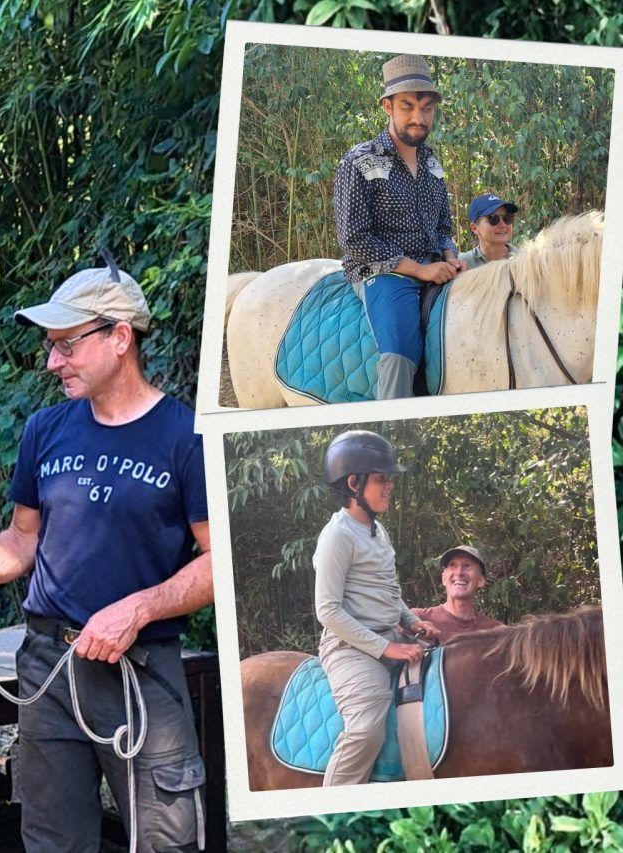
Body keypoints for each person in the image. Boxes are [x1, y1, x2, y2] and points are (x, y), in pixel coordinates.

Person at [0, 265, 212, 851]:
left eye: (68, 344)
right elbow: (23, 538)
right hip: (48, 669)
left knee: (166, 841)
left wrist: (137, 610)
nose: (54, 362)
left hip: (141, 672)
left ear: (120, 337)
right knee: (52, 842)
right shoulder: (45, 430)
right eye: (52, 347)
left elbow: (220, 560)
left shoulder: (188, 437)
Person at [314, 430, 440, 787]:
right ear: (354, 483)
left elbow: (386, 590)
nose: (389, 487)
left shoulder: (377, 529)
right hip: (350, 649)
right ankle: (334, 806)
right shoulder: (337, 535)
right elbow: (328, 611)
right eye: (382, 479)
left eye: (389, 480)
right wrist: (387, 648)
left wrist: (413, 622)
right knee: (367, 726)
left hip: (390, 636)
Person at [333, 55, 463, 400]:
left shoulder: (432, 161)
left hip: (435, 263)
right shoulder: (359, 161)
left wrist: (451, 254)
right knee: (399, 352)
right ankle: (391, 419)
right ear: (387, 106)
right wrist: (420, 269)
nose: (418, 118)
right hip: (385, 272)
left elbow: (443, 226)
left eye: (426, 108)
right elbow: (355, 239)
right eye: (407, 106)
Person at [411, 545, 504, 642]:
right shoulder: (417, 619)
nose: (459, 572)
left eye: (467, 566)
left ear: (481, 580)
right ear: (444, 578)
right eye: (452, 565)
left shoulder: (497, 632)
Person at [458, 194, 521, 268]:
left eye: (507, 218)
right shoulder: (463, 263)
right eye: (493, 219)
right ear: (475, 228)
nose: (503, 225)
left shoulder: (525, 260)